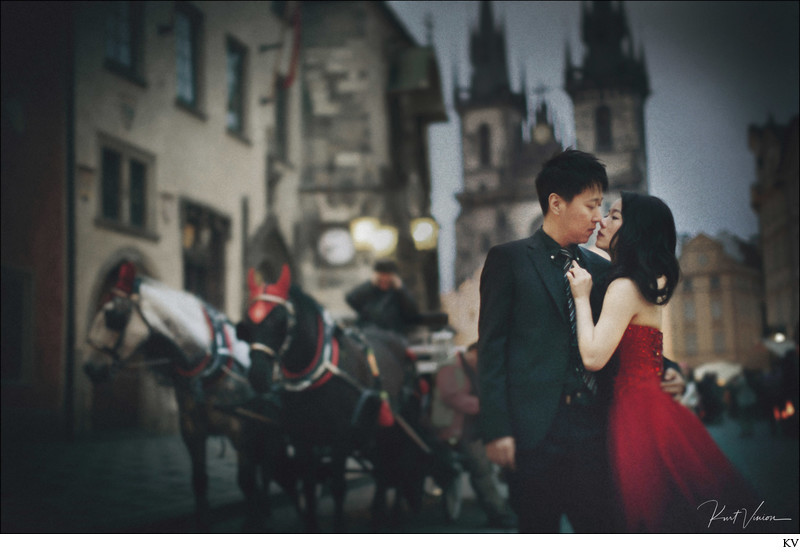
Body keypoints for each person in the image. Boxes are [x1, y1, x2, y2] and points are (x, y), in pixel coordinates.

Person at [477, 149, 684, 533]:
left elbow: (628, 333)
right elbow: (491, 351)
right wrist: (497, 428)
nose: (598, 217)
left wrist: (668, 369)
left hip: (596, 430)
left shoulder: (604, 269)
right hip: (533, 435)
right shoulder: (508, 260)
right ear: (556, 203)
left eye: (603, 207)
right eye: (591, 205)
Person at [567, 191, 759, 532]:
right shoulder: (643, 280)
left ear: (635, 230)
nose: (601, 220)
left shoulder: (623, 285)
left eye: (613, 216)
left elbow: (594, 357)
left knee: (652, 514)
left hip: (637, 412)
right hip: (653, 405)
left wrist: (581, 297)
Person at [434, 342, 517, 529]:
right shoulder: (451, 367)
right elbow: (450, 396)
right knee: (481, 468)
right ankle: (499, 513)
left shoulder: (475, 367)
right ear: (473, 353)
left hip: (478, 425)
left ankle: (512, 504)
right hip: (459, 429)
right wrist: (484, 406)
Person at [345, 259, 421, 335]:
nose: (384, 279)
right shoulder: (369, 290)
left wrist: (401, 289)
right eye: (381, 277)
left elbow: (412, 311)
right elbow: (351, 298)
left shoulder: (398, 292)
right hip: (369, 332)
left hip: (393, 334)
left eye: (387, 276)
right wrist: (370, 285)